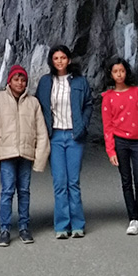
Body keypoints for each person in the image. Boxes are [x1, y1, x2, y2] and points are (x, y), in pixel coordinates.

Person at [0, 64, 50, 246]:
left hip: (26, 152)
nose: (19, 83)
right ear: (9, 81)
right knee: (7, 191)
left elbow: (41, 131)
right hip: (7, 153)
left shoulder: (33, 102)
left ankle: (24, 227)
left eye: (22, 80)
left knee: (25, 191)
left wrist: (40, 156)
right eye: (16, 79)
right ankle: (5, 229)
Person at [35, 45, 93, 238]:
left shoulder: (79, 81)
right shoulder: (45, 82)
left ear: (69, 60)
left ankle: (78, 224)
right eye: (56, 58)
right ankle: (62, 225)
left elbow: (88, 104)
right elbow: (39, 106)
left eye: (63, 58)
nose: (59, 61)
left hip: (75, 135)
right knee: (60, 182)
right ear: (51, 61)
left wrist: (83, 125)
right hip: (56, 136)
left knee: (73, 182)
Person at [101, 57, 138, 235]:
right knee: (126, 181)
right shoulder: (107, 98)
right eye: (115, 71)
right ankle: (132, 218)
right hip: (120, 142)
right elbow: (107, 126)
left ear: (126, 72)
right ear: (111, 74)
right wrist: (110, 150)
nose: (119, 74)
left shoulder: (137, 92)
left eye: (122, 71)